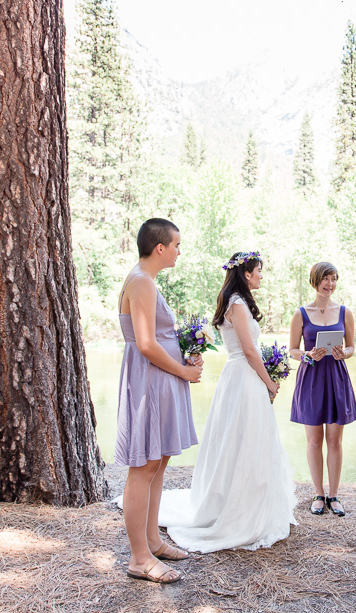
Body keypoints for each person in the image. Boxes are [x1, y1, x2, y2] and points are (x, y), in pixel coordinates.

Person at [154, 251, 298, 552]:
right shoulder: (237, 304)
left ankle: (246, 498)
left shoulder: (235, 302)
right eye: (258, 270)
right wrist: (269, 382)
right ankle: (239, 509)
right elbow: (249, 350)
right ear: (246, 274)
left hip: (238, 377)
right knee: (245, 438)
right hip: (244, 377)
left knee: (241, 438)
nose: (260, 276)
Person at [115, 218, 204, 584]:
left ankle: (152, 540)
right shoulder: (141, 282)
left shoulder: (145, 281)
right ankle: (139, 558)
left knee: (159, 462)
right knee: (144, 466)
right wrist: (183, 372)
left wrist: (185, 355)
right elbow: (147, 344)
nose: (180, 252)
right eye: (177, 245)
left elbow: (158, 338)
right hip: (150, 382)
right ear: (160, 248)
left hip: (160, 379)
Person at [289, 262, 356, 517]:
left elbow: (352, 347)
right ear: (315, 280)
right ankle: (319, 494)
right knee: (314, 440)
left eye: (334, 279)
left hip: (336, 376)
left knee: (335, 440)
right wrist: (307, 354)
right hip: (311, 377)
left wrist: (344, 353)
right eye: (325, 279)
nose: (330, 284)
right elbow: (293, 351)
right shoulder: (301, 314)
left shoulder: (344, 312)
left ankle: (334, 495)